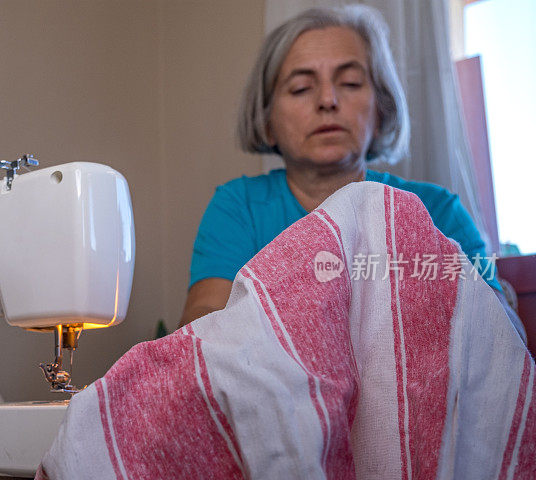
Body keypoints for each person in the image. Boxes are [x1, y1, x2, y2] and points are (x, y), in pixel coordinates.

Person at [179, 5, 525, 340]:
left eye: (350, 83)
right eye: (301, 88)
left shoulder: (438, 209)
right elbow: (202, 333)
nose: (327, 100)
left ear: (380, 111)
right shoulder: (238, 207)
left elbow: (500, 339)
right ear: (267, 122)